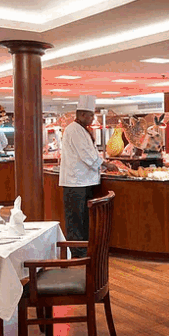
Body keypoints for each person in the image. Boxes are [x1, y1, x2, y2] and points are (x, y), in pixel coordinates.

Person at [60, 95, 116, 258]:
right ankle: (77, 252)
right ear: (83, 114)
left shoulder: (83, 129)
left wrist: (102, 165)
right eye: (91, 115)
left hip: (85, 181)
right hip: (75, 182)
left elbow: (91, 153)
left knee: (84, 218)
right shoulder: (73, 129)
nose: (92, 119)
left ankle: (85, 248)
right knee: (75, 219)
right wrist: (106, 164)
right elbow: (86, 155)